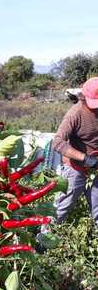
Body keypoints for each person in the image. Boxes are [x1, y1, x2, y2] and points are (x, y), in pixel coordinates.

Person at [52, 77, 98, 225]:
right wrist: (85, 158)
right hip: (75, 168)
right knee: (60, 209)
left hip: (96, 170)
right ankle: (42, 243)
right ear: (83, 98)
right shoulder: (75, 114)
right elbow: (57, 142)